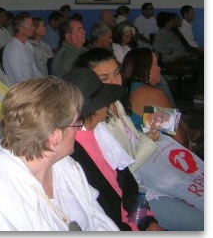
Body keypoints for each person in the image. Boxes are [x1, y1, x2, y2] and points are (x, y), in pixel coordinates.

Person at [73, 48, 204, 230]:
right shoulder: (95, 125)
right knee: (200, 220)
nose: (115, 81)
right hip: (140, 188)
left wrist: (149, 132)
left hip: (147, 179)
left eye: (117, 73)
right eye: (104, 78)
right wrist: (150, 138)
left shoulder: (117, 101)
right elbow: (121, 174)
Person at [0, 77, 118, 231]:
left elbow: (97, 218)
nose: (77, 130)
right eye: (76, 123)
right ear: (55, 137)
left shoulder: (65, 165)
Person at [63, 68, 164, 231]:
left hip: (132, 222)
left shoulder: (100, 133)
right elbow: (104, 212)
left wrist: (147, 221)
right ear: (96, 108)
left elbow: (128, 187)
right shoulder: (73, 152)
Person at [121, 48, 197, 149]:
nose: (159, 69)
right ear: (145, 70)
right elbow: (180, 140)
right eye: (155, 64)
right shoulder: (151, 94)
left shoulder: (127, 89)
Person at [2, 12, 43, 84]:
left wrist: (45, 82)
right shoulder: (13, 49)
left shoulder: (28, 45)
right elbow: (18, 79)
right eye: (31, 26)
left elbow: (35, 70)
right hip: (21, 90)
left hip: (31, 86)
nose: (34, 28)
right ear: (21, 29)